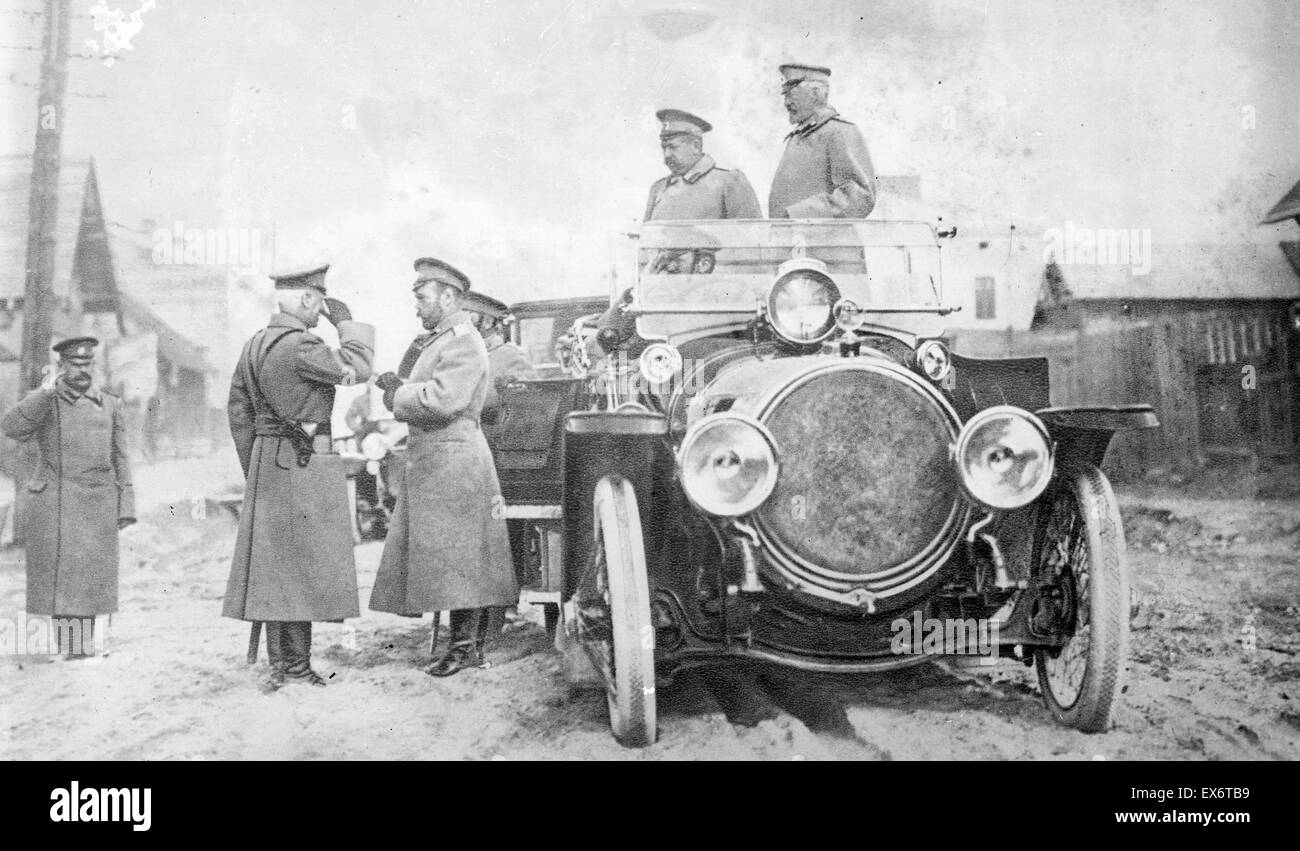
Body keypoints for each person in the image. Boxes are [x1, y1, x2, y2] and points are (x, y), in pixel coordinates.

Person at [224, 264, 374, 690]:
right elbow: (359, 367)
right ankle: (295, 666)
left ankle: (284, 665)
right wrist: (345, 322)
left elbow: (238, 414)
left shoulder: (254, 345)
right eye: (319, 301)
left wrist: (254, 464)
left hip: (268, 463)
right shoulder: (302, 346)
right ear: (309, 299)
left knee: (277, 569)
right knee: (303, 567)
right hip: (302, 463)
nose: (319, 311)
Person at [368, 258, 517, 677]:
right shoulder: (438, 340)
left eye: (422, 297)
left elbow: (443, 400)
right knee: (449, 560)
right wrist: (398, 390)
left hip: (455, 462)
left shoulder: (463, 341)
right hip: (438, 461)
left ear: (448, 297)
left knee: (461, 560)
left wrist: (400, 393)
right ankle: (460, 644)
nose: (416, 306)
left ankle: (466, 647)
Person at [1, 337, 135, 658]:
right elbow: (12, 427)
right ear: (61, 366)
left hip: (97, 501)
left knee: (91, 575)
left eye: (87, 364)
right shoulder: (47, 402)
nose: (82, 370)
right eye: (75, 364)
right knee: (64, 579)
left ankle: (83, 645)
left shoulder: (110, 404)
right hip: (57, 501)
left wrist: (126, 506)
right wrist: (46, 390)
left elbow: (122, 459)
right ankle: (71, 647)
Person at [767, 62, 877, 219]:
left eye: (792, 95)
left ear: (815, 93)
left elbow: (862, 196)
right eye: (785, 96)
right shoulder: (798, 137)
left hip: (826, 242)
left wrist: (800, 215)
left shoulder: (838, 131)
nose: (787, 103)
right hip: (798, 241)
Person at [644, 108, 761, 222]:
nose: (667, 155)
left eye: (673, 147)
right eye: (664, 148)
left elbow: (751, 235)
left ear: (696, 146)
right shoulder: (658, 189)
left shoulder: (730, 182)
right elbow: (647, 237)